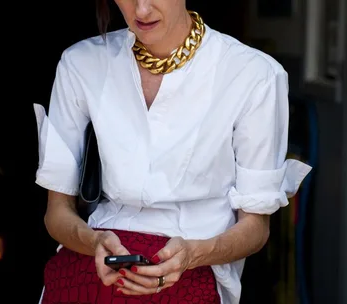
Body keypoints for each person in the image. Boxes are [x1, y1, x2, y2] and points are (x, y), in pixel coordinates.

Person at [33, 0, 312, 303]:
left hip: (193, 266)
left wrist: (193, 254)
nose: (141, 10)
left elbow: (255, 228)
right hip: (93, 263)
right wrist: (94, 242)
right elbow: (56, 213)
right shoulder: (81, 64)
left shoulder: (254, 75)